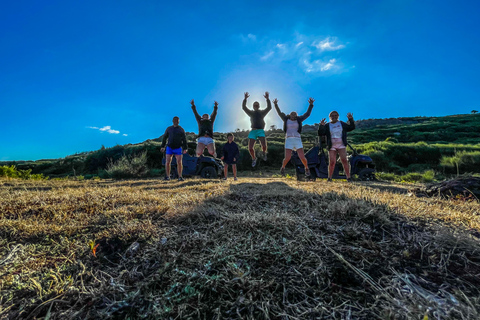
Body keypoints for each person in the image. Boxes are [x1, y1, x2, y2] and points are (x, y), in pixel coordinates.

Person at [273, 97, 315, 177]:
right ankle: (283, 168)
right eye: (292, 114)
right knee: (287, 157)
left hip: (297, 139)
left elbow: (307, 114)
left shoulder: (299, 120)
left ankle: (306, 168)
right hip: (289, 139)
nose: (293, 115)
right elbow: (279, 113)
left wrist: (311, 105)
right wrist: (276, 104)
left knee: (302, 157)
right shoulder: (286, 119)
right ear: (290, 115)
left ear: (296, 115)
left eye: (294, 114)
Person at [318, 111, 355, 182]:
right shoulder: (327, 125)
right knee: (332, 162)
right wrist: (321, 126)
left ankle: (348, 177)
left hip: (341, 144)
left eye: (335, 115)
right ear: (330, 117)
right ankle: (329, 178)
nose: (334, 117)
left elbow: (351, 127)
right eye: (332, 116)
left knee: (344, 160)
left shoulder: (341, 124)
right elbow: (320, 133)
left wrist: (351, 119)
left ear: (338, 116)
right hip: (332, 145)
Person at [242, 91, 272, 167]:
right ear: (253, 106)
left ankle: (264, 153)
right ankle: (254, 158)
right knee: (250, 148)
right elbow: (244, 107)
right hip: (253, 131)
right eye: (254, 105)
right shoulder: (251, 113)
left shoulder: (262, 112)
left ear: (258, 106)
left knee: (264, 145)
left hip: (260, 130)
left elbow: (269, 108)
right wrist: (245, 99)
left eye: (257, 105)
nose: (256, 106)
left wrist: (267, 99)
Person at [160, 116, 188, 181]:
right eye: (175, 120)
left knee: (179, 162)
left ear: (179, 121)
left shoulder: (181, 129)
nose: (176, 121)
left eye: (177, 120)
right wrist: (162, 146)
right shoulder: (169, 129)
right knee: (167, 162)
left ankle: (180, 177)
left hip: (178, 148)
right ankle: (167, 177)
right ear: (173, 121)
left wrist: (185, 148)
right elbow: (165, 138)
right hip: (169, 147)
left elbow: (184, 139)